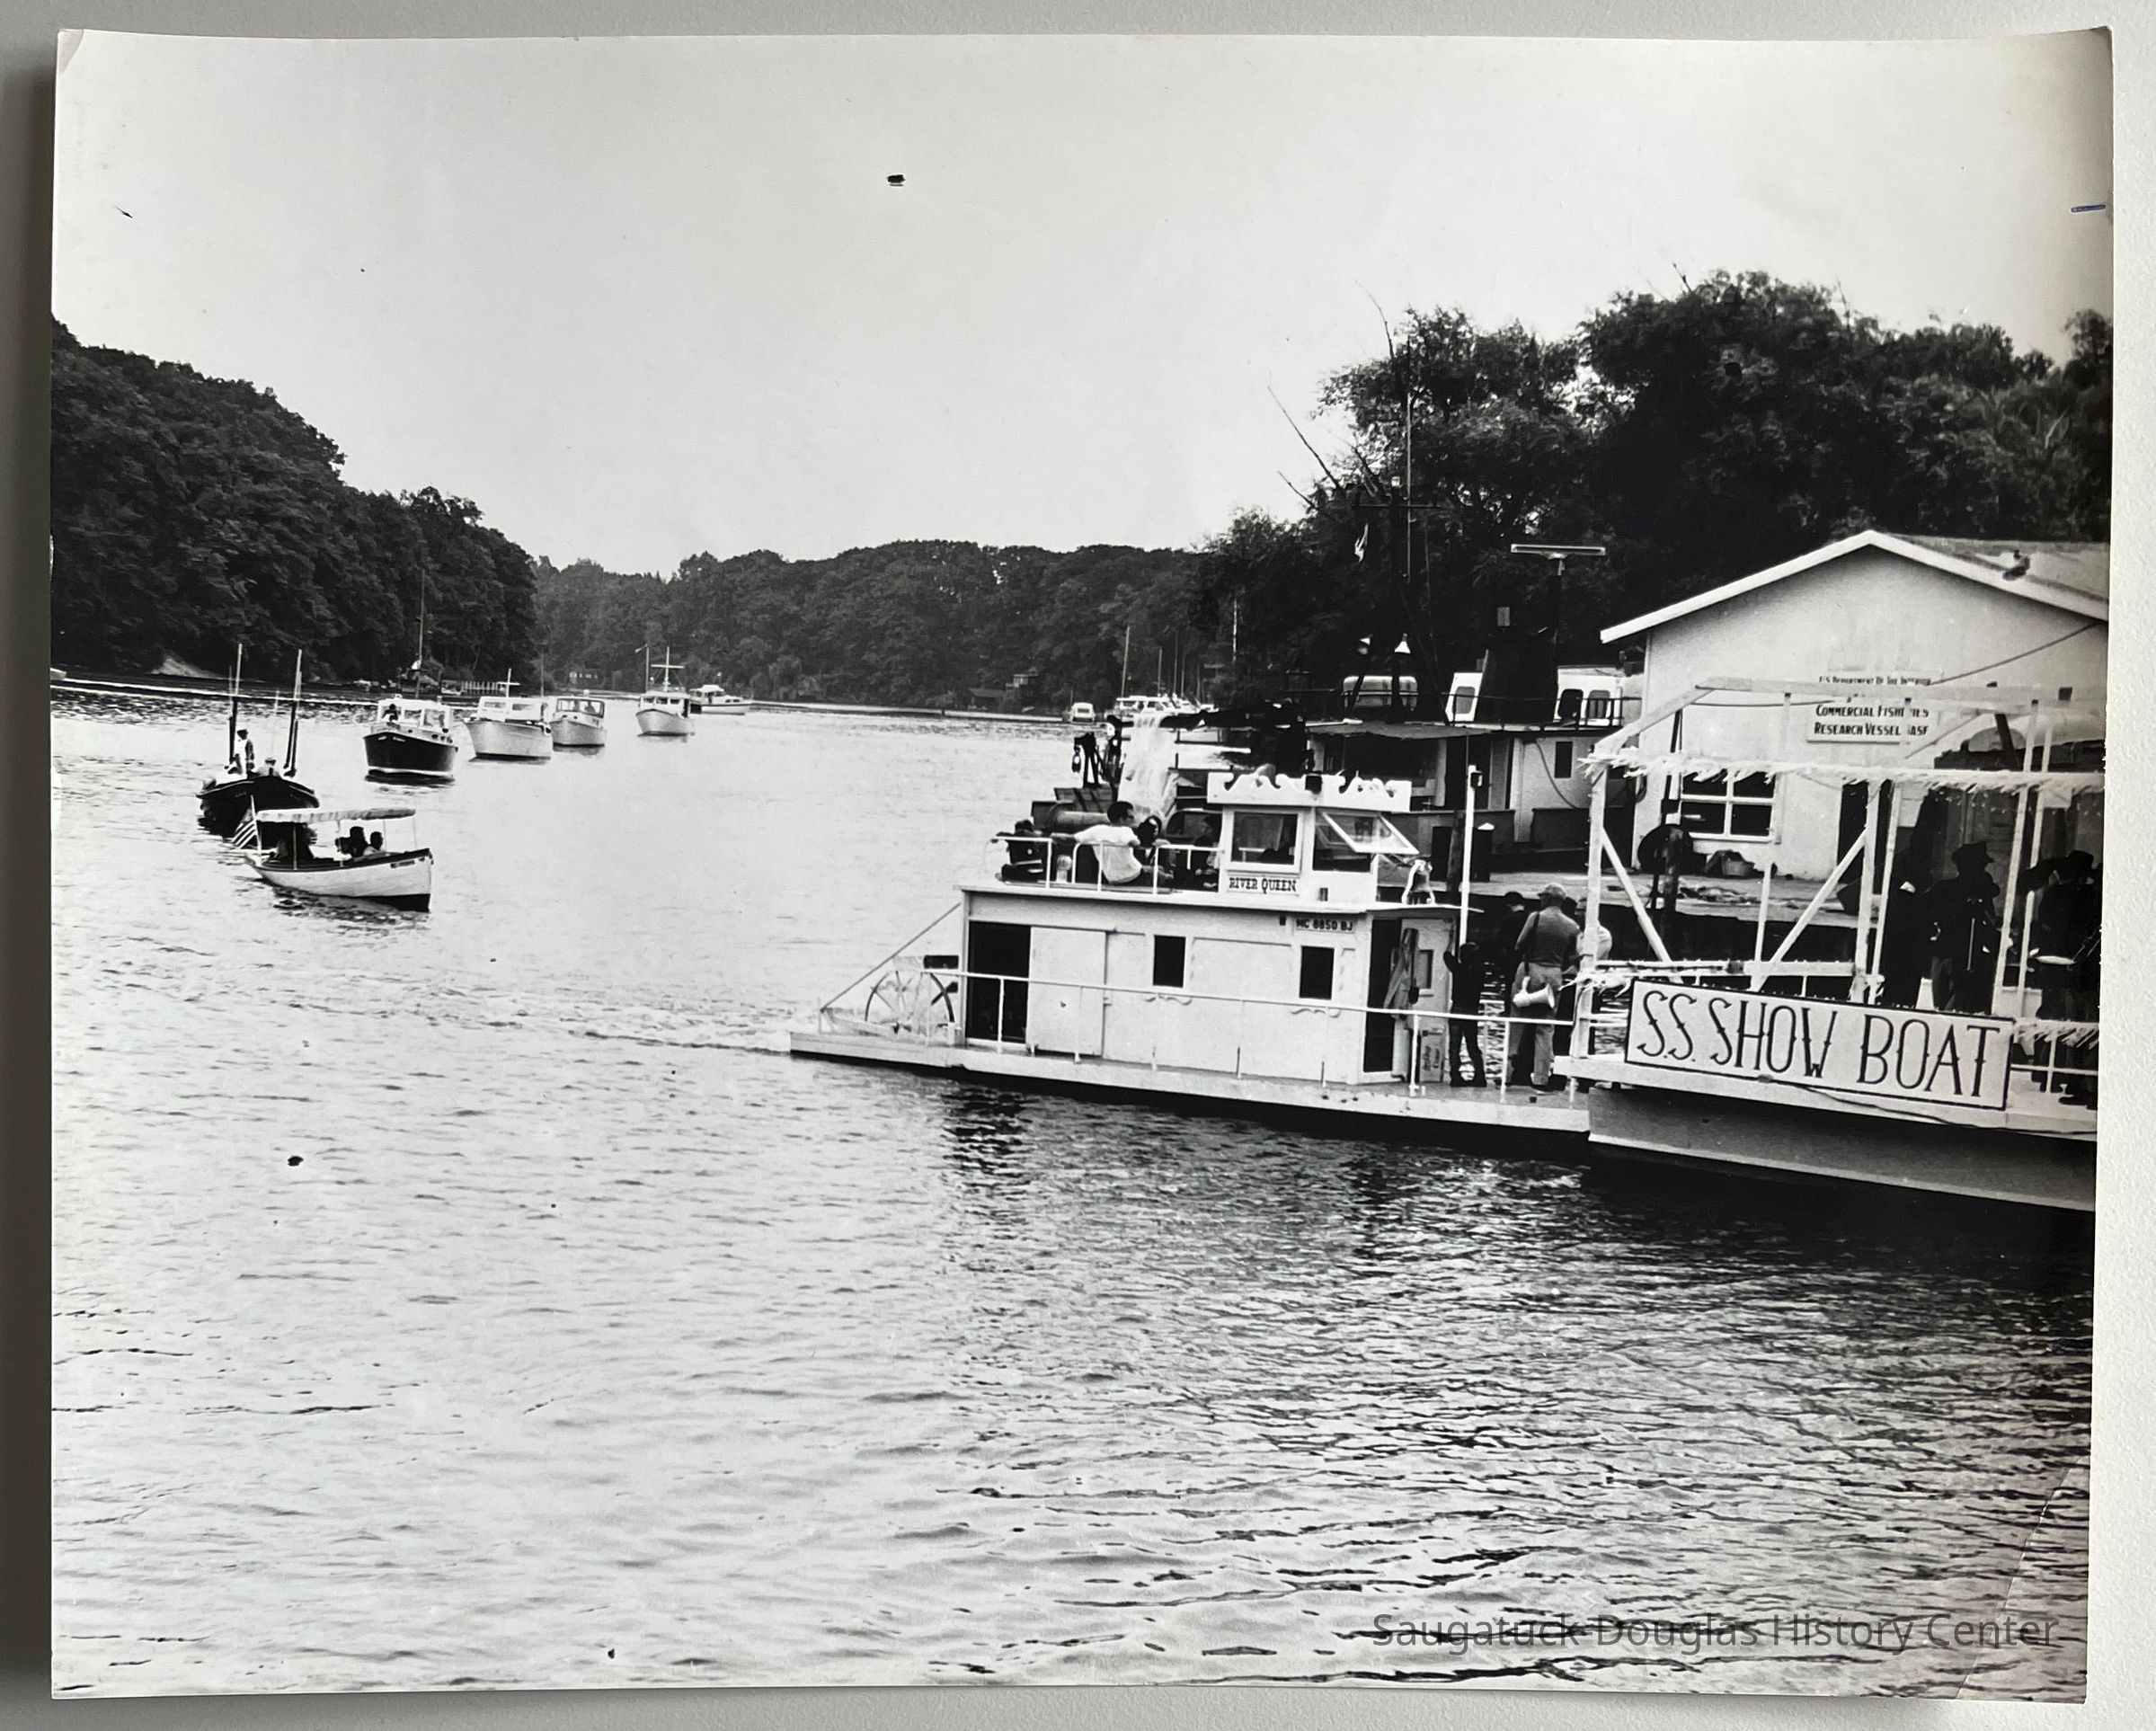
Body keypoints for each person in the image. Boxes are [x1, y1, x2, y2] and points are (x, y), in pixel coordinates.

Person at [1507, 884, 1581, 1091]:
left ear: (1547, 899)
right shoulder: (1572, 925)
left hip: (1531, 970)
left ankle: (1510, 1073)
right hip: (1555, 974)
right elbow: (1572, 956)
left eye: (1542, 897)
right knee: (1546, 1026)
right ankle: (1541, 1077)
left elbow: (1520, 944)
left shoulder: (1536, 918)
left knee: (1518, 1020)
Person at [1928, 840, 2001, 1014]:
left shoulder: (1976, 889)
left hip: (1958, 952)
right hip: (1956, 953)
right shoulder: (1950, 889)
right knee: (1956, 1002)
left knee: (1955, 1002)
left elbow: (1989, 915)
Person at [1876, 840, 1936, 1008]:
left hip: (1903, 944)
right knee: (1904, 981)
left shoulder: (1901, 888)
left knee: (1900, 980)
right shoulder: (1910, 893)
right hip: (1907, 943)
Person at [1440, 933, 1491, 1087]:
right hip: (1471, 1012)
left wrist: (1451, 940)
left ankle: (1455, 1075)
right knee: (1472, 1045)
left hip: (1457, 1010)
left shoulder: (1459, 969)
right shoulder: (1480, 972)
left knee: (1455, 1045)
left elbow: (1446, 956)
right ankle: (1480, 1075)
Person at [1073, 801, 1147, 886]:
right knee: (1158, 873)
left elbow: (1071, 838)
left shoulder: (1097, 830)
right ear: (1121, 819)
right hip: (1134, 876)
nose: (1133, 820)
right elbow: (1136, 844)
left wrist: (1058, 836)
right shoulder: (1125, 830)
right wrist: (1152, 842)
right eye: (1131, 817)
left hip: (1113, 879)